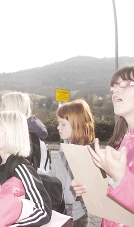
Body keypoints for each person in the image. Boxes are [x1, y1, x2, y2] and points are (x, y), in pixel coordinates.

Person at [72, 65, 134, 227]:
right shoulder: (124, 139)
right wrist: (91, 187)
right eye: (113, 86)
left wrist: (120, 178)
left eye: (125, 84)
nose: (114, 90)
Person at [51, 99, 94, 226]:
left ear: (77, 125)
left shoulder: (80, 154)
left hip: (75, 218)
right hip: (65, 214)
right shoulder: (66, 147)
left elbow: (70, 196)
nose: (58, 127)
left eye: (63, 124)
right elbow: (54, 174)